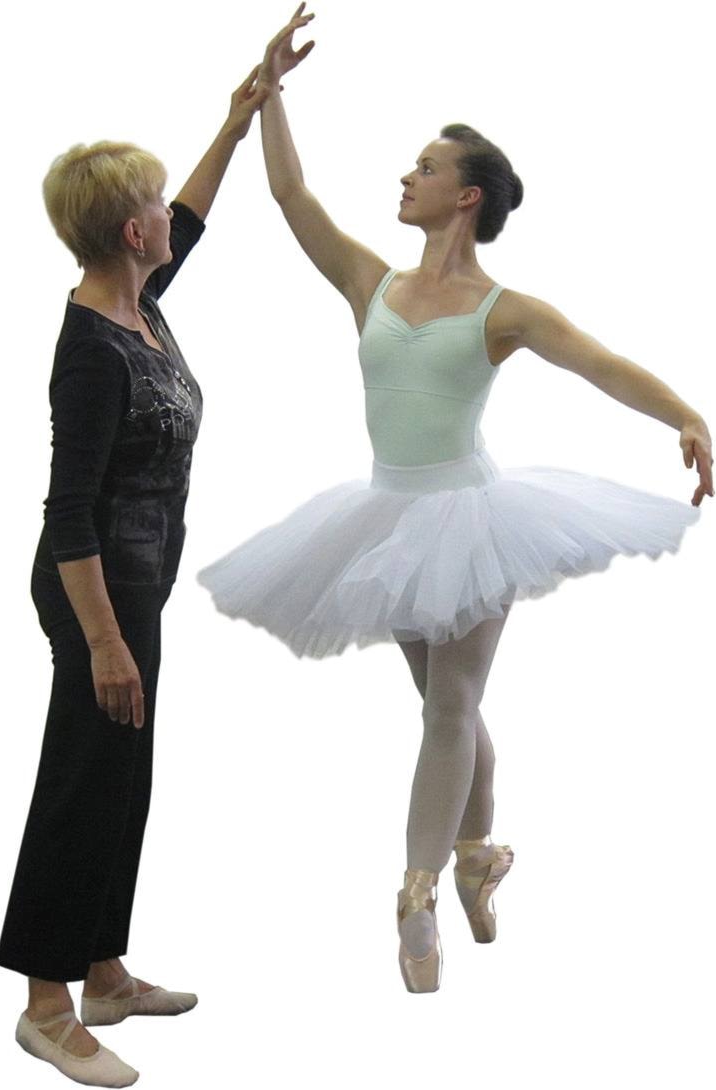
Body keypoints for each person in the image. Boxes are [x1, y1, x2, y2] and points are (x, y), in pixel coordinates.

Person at [197, 5, 713, 994]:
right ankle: (478, 856)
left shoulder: (503, 310)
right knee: (447, 706)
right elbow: (291, 194)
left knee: (450, 703)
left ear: (465, 197)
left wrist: (686, 414)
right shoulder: (370, 282)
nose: (406, 177)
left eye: (424, 168)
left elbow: (601, 364)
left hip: (470, 519)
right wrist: (268, 94)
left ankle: (416, 894)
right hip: (386, 518)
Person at [0, 65, 272, 1087]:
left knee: (124, 777)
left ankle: (104, 972)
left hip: (137, 588)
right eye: (153, 206)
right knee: (81, 781)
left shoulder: (140, 302)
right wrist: (105, 641)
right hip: (93, 595)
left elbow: (191, 215)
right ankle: (45, 1004)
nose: (169, 217)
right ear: (127, 232)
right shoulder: (92, 351)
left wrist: (238, 118)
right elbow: (67, 511)